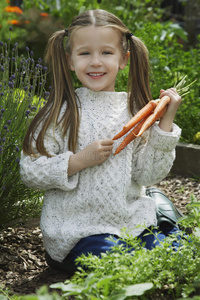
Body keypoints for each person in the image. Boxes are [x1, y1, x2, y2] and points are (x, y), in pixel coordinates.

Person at [20, 9, 183, 276]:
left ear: (123, 59)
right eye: (85, 53)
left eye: (106, 53)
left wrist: (165, 123)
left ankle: (162, 229)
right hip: (78, 234)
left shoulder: (136, 111)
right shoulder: (60, 113)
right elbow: (30, 171)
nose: (96, 62)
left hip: (132, 224)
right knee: (116, 262)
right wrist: (78, 161)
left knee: (175, 253)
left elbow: (148, 174)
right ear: (70, 60)